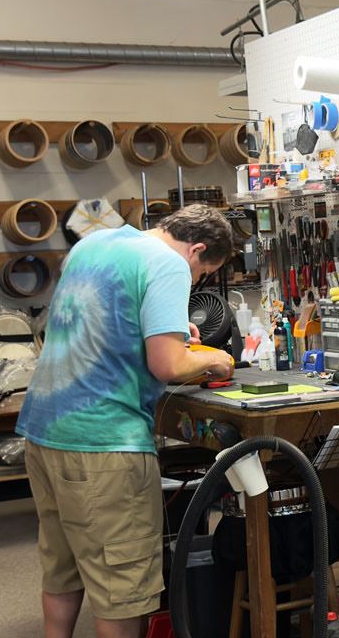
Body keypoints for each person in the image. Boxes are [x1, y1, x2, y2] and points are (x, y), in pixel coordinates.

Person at [15, 204, 239, 638]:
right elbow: (168, 366)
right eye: (203, 274)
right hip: (103, 444)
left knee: (62, 568)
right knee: (122, 587)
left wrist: (171, 329)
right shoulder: (170, 264)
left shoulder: (95, 243)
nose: (197, 281)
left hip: (45, 431)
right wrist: (215, 358)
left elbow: (101, 322)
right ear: (196, 250)